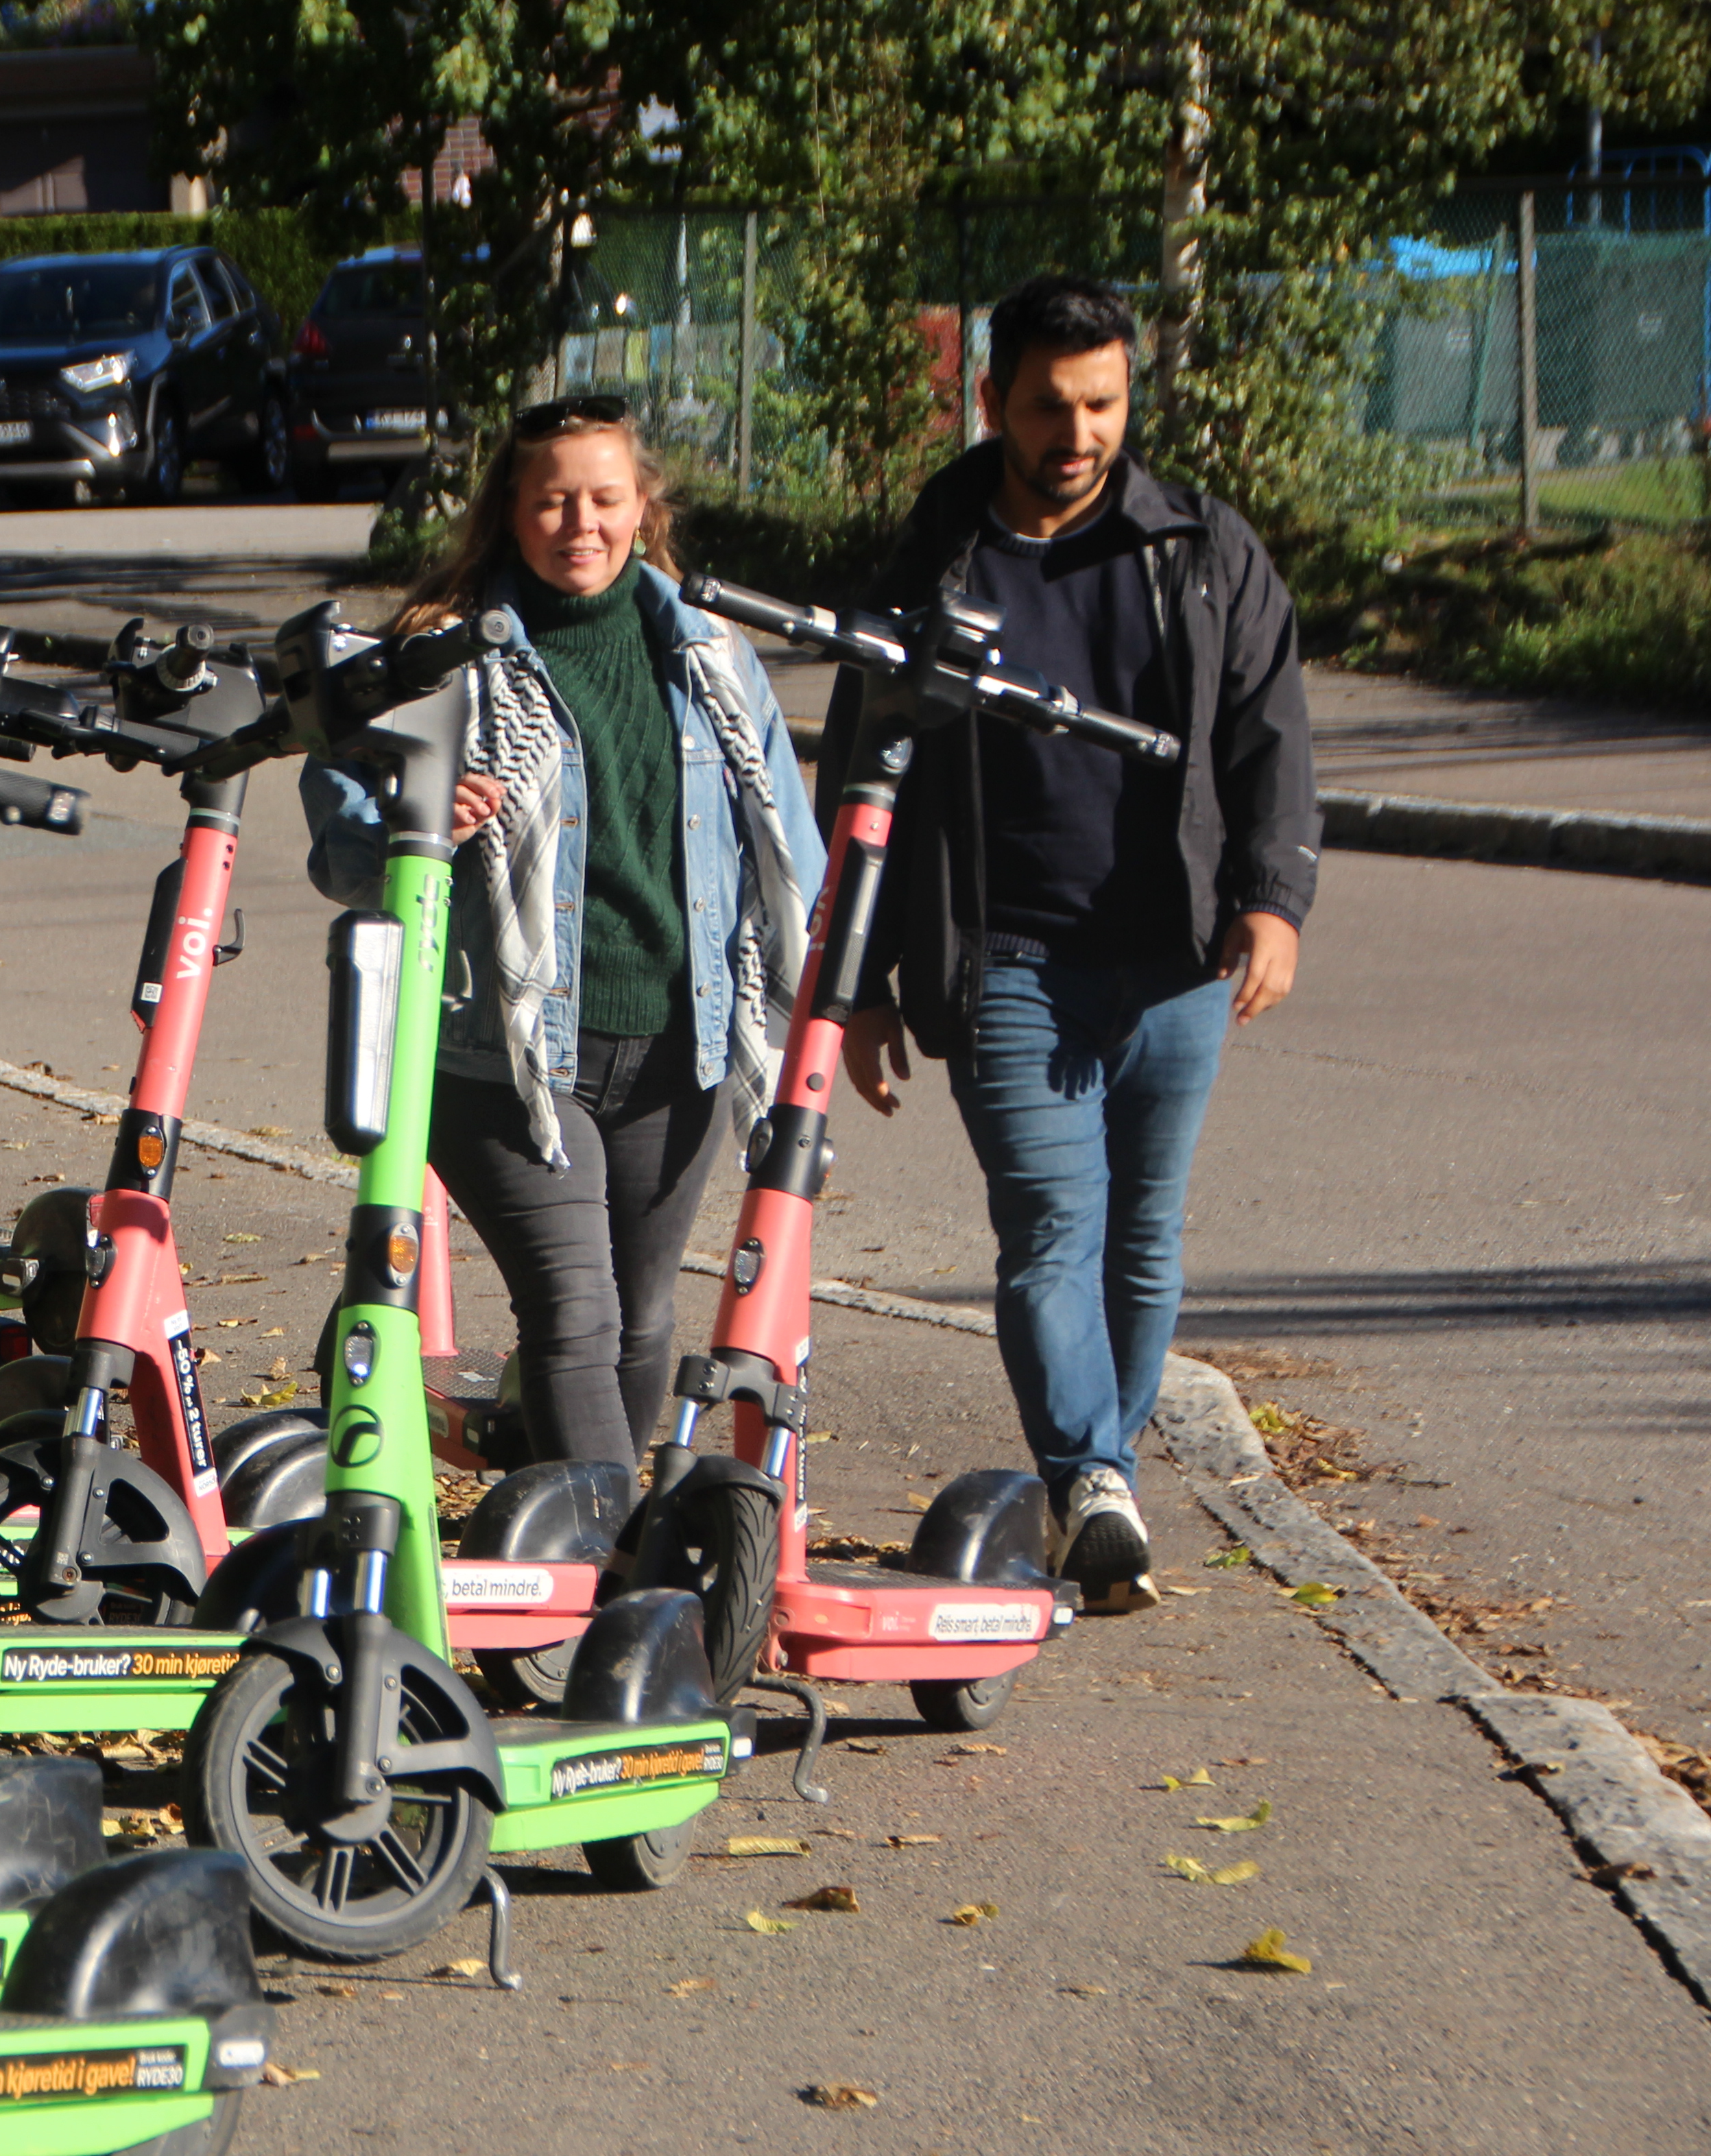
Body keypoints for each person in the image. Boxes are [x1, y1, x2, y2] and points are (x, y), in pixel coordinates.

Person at [830, 273, 1319, 1615]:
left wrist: (1274, 898)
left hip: (1175, 961)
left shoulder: (1201, 550)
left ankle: (1089, 1485)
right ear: (992, 403)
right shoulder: (938, 567)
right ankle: (1096, 1477)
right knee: (1052, 1225)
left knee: (1143, 1242)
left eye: (1102, 404)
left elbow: (1268, 736)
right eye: (1051, 405)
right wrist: (862, 982)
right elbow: (861, 770)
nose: (1080, 432)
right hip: (1007, 957)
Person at [304, 398, 826, 1470]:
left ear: (643, 505)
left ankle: (559, 1556)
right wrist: (416, 824)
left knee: (639, 1322)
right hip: (495, 1052)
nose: (580, 523)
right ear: (511, 513)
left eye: (604, 497)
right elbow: (340, 836)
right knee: (576, 1314)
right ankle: (609, 1586)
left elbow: (788, 846)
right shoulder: (432, 655)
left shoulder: (711, 656)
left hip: (678, 1047)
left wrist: (816, 999)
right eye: (553, 501)